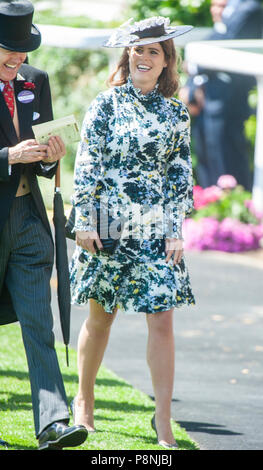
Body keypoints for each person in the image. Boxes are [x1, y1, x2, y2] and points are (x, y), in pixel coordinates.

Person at [69, 17, 195, 449]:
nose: (143, 57)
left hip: (156, 226)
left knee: (162, 320)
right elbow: (87, 163)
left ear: (166, 63)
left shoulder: (177, 113)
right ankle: (83, 402)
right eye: (138, 50)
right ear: (129, 56)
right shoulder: (105, 104)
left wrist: (176, 228)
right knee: (101, 317)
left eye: (153, 52)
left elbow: (180, 174)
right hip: (107, 223)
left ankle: (162, 420)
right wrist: (83, 219)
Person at [0, 0, 88, 450]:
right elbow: (13, 154)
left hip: (31, 219)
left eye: (22, 51)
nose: (18, 60)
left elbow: (44, 165)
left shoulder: (36, 81)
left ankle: (53, 422)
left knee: (39, 323)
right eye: (7, 50)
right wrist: (7, 156)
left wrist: (52, 157)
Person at [179, 0, 263, 190]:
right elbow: (215, 36)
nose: (217, 10)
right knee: (207, 158)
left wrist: (194, 64)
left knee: (227, 163)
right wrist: (192, 89)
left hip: (229, 101)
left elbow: (228, 41)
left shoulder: (249, 8)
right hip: (207, 99)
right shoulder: (233, 7)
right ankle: (211, 206)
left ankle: (234, 212)